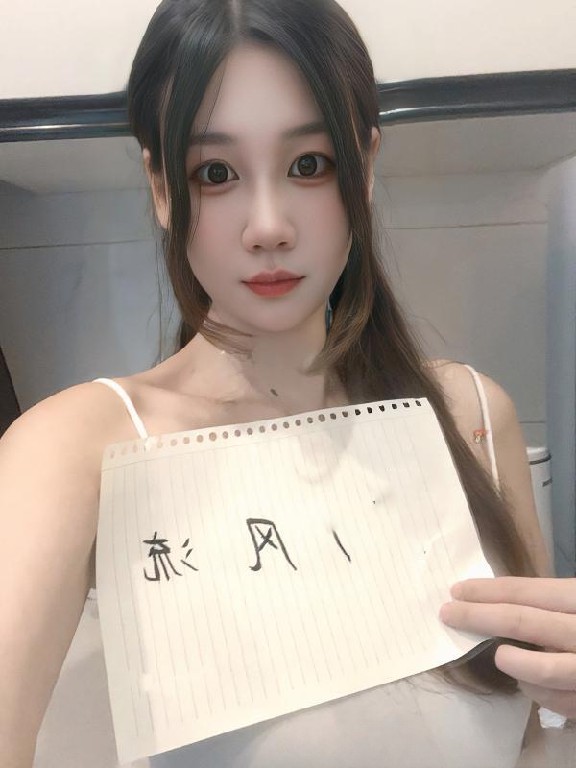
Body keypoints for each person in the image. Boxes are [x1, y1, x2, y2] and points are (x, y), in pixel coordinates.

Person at [1, 1, 574, 766]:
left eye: (310, 164)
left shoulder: (472, 415)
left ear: (364, 166)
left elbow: (532, 741)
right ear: (162, 186)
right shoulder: (75, 448)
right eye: (216, 173)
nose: (268, 225)